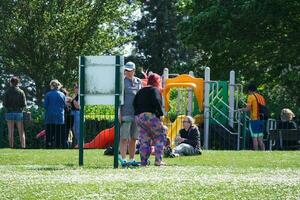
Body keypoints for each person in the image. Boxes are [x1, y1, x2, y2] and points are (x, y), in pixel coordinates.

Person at [133, 73, 167, 166]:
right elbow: (157, 101)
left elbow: (134, 104)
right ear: (157, 82)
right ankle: (158, 161)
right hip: (150, 116)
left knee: (144, 139)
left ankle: (143, 161)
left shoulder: (140, 91)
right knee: (160, 135)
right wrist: (160, 114)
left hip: (139, 117)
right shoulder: (155, 90)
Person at [118, 62, 142, 166]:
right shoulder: (121, 82)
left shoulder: (138, 81)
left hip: (136, 114)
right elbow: (119, 99)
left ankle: (131, 159)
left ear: (134, 71)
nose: (127, 72)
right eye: (126, 70)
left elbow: (141, 98)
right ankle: (123, 159)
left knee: (134, 138)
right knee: (124, 138)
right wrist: (119, 113)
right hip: (125, 113)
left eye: (130, 70)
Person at [240, 84, 266, 150]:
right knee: (260, 139)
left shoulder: (250, 96)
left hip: (254, 120)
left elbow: (247, 109)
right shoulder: (261, 97)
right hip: (262, 120)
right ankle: (264, 153)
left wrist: (241, 110)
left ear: (249, 91)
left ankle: (256, 154)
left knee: (254, 139)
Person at [3, 76, 27, 148]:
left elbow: (4, 104)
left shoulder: (7, 92)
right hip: (19, 112)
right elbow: (24, 104)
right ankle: (23, 146)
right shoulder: (21, 92)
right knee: (21, 131)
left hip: (9, 112)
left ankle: (11, 146)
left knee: (10, 131)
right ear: (18, 83)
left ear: (11, 82)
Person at [44, 79, 66, 148]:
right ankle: (58, 147)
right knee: (59, 134)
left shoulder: (48, 94)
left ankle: (48, 146)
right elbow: (64, 105)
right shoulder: (62, 94)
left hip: (50, 117)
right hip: (59, 117)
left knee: (49, 134)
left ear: (51, 86)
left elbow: (45, 106)